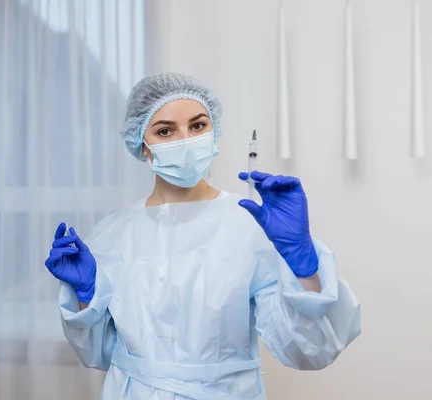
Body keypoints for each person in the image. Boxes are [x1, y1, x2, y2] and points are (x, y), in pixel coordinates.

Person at [45, 72, 361, 399]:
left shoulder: (250, 224)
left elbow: (310, 350)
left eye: (197, 126)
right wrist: (85, 297)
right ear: (141, 145)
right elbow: (97, 353)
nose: (185, 141)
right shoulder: (111, 235)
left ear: (213, 132)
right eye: (165, 131)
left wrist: (303, 262)